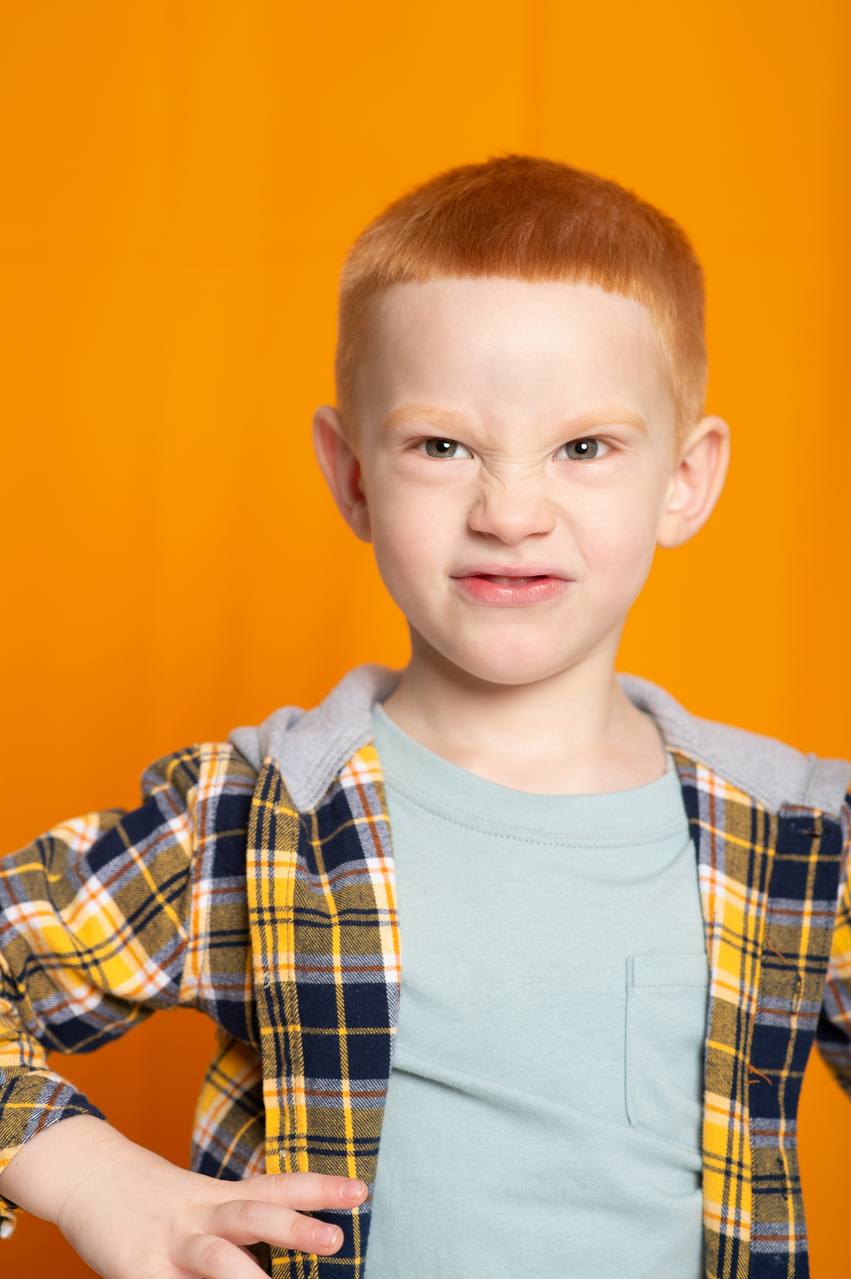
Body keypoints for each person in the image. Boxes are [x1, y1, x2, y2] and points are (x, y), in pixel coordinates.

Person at [1, 153, 849, 1279]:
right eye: (442, 446)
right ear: (352, 475)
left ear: (683, 479)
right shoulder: (249, 820)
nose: (511, 512)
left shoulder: (799, 840)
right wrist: (96, 1178)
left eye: (583, 448)